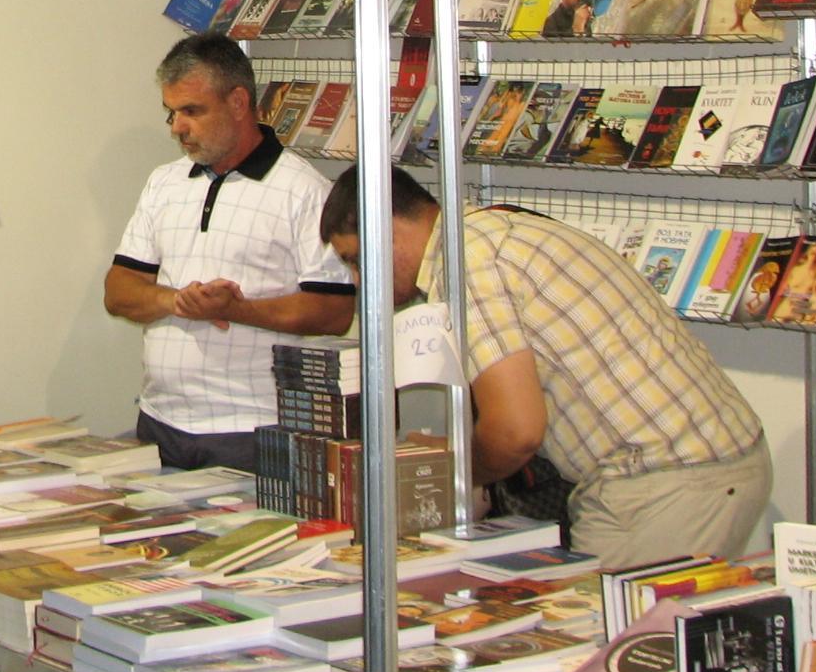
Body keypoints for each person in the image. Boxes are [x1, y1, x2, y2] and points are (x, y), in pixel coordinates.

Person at [320, 167, 771, 568]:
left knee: (595, 625)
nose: (359, 280)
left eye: (357, 260)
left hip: (664, 482)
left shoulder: (468, 264)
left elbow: (515, 433)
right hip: (701, 461)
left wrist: (453, 470)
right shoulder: (492, 231)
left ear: (387, 230)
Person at [104, 34, 355, 471]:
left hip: (254, 431)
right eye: (171, 113)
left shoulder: (304, 191)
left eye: (192, 111)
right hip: (161, 422)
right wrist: (179, 301)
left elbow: (333, 312)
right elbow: (118, 291)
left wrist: (236, 310)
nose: (177, 128)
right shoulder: (164, 183)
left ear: (238, 103)